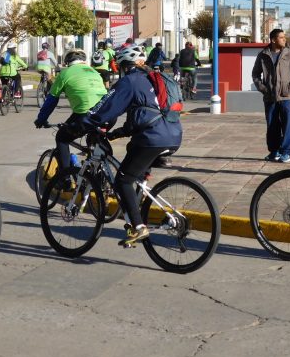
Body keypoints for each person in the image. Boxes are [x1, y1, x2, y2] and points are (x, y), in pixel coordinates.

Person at [80, 45, 183, 246]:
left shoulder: (130, 81)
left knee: (123, 181)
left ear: (125, 66)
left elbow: (106, 109)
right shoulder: (157, 78)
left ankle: (138, 226)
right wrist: (119, 132)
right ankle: (135, 212)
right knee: (136, 170)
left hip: (151, 138)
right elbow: (144, 113)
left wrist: (82, 124)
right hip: (173, 135)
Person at [34, 48, 107, 169]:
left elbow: (51, 101)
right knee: (95, 140)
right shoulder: (93, 71)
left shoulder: (65, 73)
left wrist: (41, 119)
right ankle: (97, 172)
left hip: (85, 114)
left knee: (62, 138)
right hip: (107, 112)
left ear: (67, 62)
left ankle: (65, 176)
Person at [252, 28, 290, 163]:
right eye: (281, 37)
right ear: (273, 40)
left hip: (285, 97)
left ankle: (286, 152)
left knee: (287, 126)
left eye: (284, 37)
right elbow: (255, 74)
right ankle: (274, 151)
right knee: (272, 125)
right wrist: (263, 88)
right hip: (269, 97)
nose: (284, 39)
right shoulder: (263, 55)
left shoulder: (289, 54)